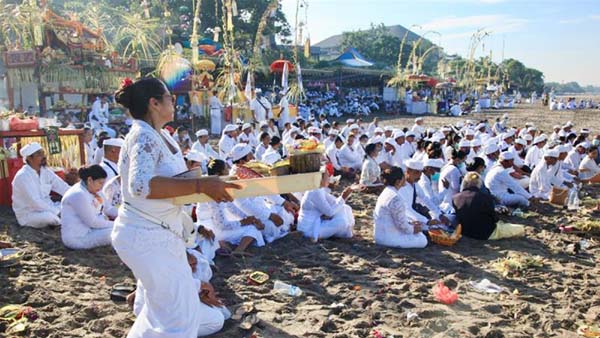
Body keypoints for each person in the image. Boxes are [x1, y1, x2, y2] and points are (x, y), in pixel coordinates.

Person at [110, 77, 240, 337]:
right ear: (154, 103)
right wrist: (201, 186)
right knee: (177, 321)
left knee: (172, 314)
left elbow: (171, 182)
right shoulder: (143, 136)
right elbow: (140, 186)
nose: (174, 102)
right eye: (169, 97)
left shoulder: (158, 135)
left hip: (162, 233)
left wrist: (206, 183)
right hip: (145, 235)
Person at [203, 160, 265, 255]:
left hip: (220, 223)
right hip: (211, 229)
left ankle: (229, 245)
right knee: (252, 229)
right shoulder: (211, 190)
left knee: (253, 226)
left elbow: (232, 208)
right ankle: (238, 250)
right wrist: (244, 222)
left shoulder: (219, 186)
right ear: (218, 174)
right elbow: (221, 224)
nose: (228, 172)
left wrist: (251, 219)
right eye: (226, 170)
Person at [12, 142, 70, 228]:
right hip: (29, 214)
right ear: (29, 158)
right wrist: (58, 212)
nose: (43, 157)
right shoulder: (23, 176)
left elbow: (63, 187)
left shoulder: (45, 171)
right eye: (39, 154)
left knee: (70, 207)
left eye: (43, 153)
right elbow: (35, 202)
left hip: (50, 207)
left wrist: (79, 195)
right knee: (50, 217)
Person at [453, 172, 524, 240]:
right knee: (520, 229)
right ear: (479, 183)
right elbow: (494, 218)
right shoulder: (485, 197)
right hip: (486, 234)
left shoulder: (455, 198)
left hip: (465, 232)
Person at [373, 166, 427, 249]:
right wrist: (413, 229)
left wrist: (411, 224)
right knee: (422, 239)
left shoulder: (386, 191)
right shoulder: (396, 198)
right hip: (389, 239)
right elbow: (402, 226)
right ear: (398, 181)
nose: (405, 179)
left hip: (379, 236)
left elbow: (396, 219)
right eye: (403, 177)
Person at [61, 165, 113, 249]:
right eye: (100, 183)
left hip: (92, 231)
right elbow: (93, 222)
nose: (102, 186)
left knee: (121, 229)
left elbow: (108, 209)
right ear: (89, 180)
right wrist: (116, 224)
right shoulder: (78, 194)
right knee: (119, 232)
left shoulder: (95, 189)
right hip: (79, 238)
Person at [298, 170, 355, 242]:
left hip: (318, 222)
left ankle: (348, 232)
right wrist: (343, 197)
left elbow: (334, 202)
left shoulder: (319, 189)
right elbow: (330, 212)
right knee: (342, 222)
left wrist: (347, 193)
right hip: (310, 229)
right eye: (327, 177)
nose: (329, 179)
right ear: (319, 179)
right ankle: (347, 233)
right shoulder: (314, 191)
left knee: (346, 208)